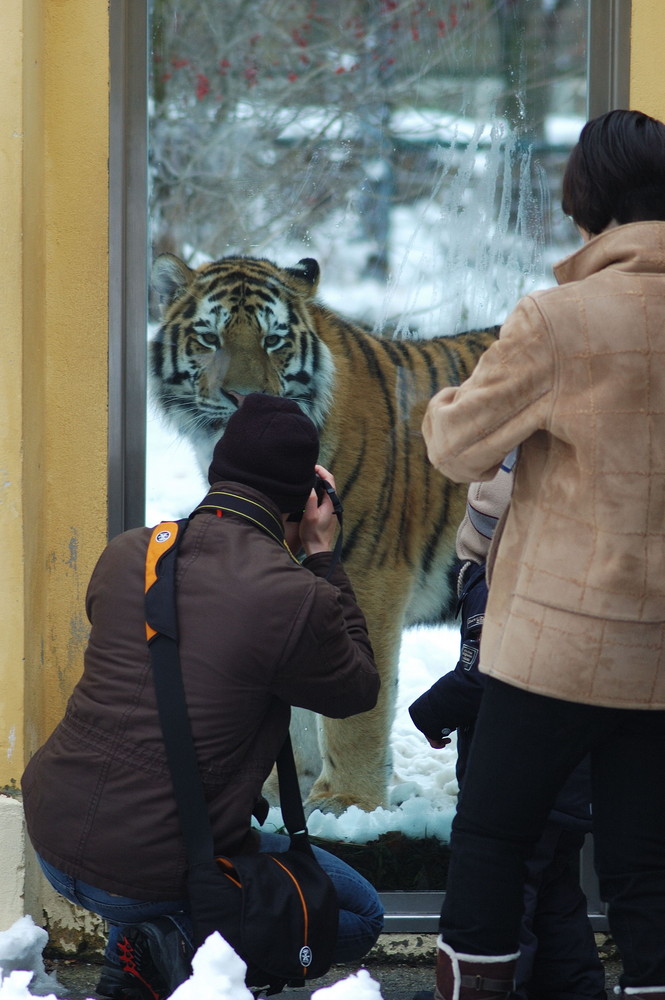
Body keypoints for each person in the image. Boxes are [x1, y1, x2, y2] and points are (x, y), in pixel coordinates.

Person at [418, 108, 665, 1000]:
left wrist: (454, 397)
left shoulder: (558, 320)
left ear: (584, 202)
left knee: (493, 841)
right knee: (646, 872)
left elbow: (455, 448)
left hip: (554, 653)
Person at [21, 393, 384, 999]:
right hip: (147, 864)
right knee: (357, 915)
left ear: (218, 473)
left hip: (54, 832)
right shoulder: (294, 597)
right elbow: (356, 688)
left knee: (157, 824)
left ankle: (144, 945)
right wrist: (322, 556)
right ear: (307, 502)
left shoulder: (131, 550)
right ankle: (171, 944)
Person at [409, 469, 605, 1000]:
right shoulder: (567, 572)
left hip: (519, 779)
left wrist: (430, 712)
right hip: (571, 776)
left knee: (509, 907)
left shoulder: (493, 578)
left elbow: (481, 673)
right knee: (557, 899)